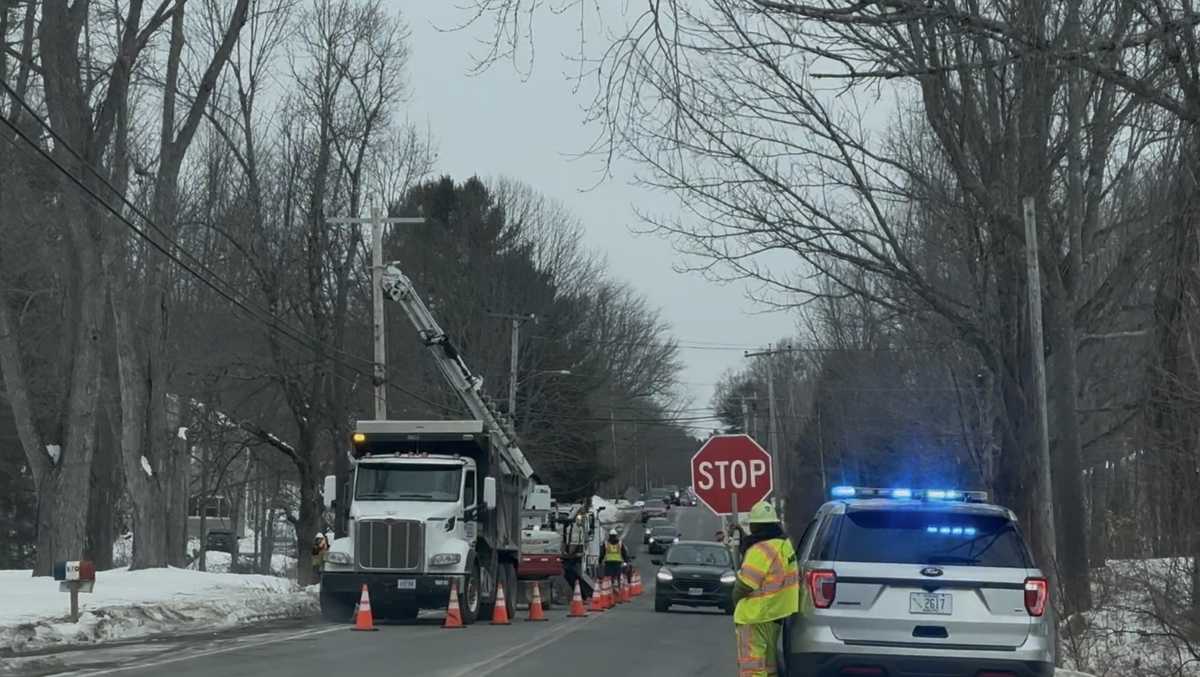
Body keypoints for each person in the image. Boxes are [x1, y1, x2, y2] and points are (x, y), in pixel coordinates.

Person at [732, 501, 800, 677]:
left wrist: (733, 602)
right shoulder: (785, 545)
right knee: (770, 668)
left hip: (754, 616)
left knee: (752, 668)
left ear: (756, 526)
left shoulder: (760, 549)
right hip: (776, 615)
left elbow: (744, 585)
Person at [602, 528, 630, 594]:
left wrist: (600, 561)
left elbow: (602, 553)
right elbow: (624, 553)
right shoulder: (620, 543)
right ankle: (617, 590)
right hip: (617, 563)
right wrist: (626, 561)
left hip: (608, 563)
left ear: (609, 535)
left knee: (609, 578)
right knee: (617, 577)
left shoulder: (606, 543)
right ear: (616, 535)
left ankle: (610, 590)